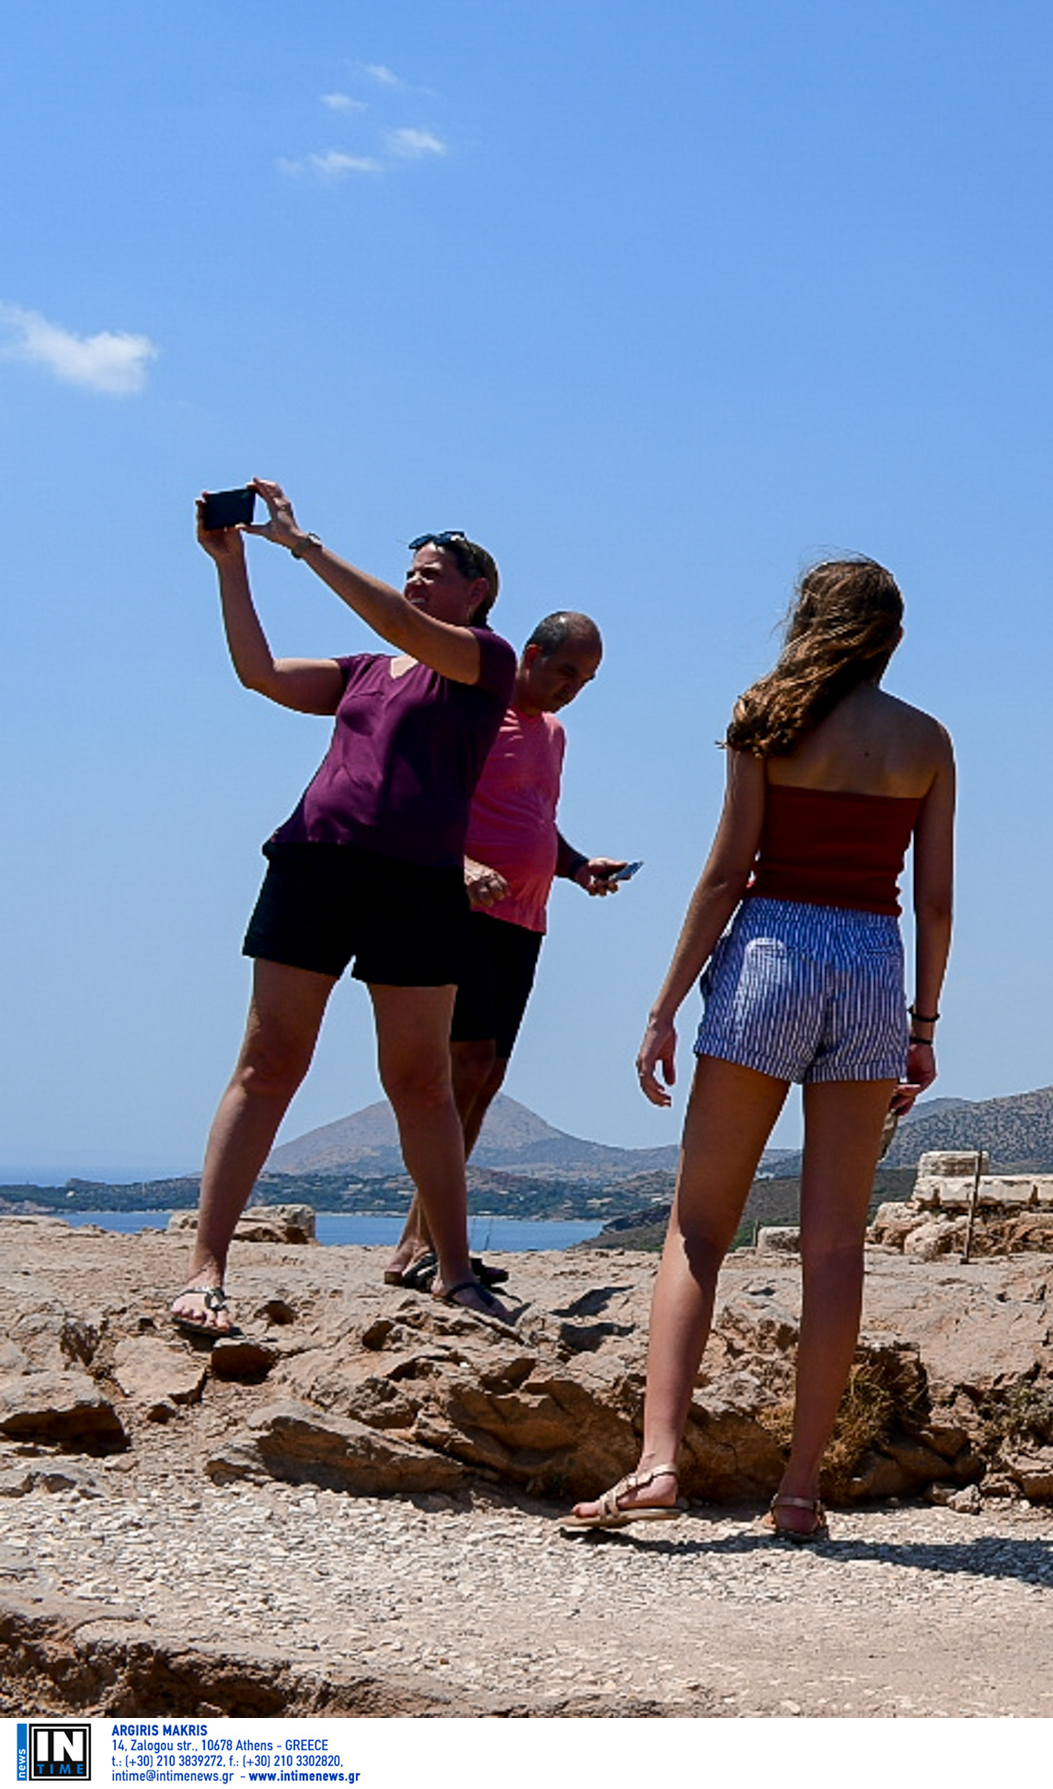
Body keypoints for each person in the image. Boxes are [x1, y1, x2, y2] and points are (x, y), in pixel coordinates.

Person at [568, 558, 951, 1540]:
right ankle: (800, 1488)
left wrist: (661, 1006)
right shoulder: (927, 741)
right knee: (834, 1245)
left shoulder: (763, 713)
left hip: (773, 948)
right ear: (892, 638)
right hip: (872, 961)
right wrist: (923, 1025)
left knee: (700, 1226)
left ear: (806, 623)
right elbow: (939, 897)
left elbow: (726, 867)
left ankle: (658, 1463)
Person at [177, 484, 522, 1341]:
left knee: (421, 1083)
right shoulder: (366, 674)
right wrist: (233, 568)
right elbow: (259, 674)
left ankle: (451, 1274)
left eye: (432, 572)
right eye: (409, 570)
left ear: (476, 590)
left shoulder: (486, 658)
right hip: (316, 864)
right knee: (267, 1063)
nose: (414, 582)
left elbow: (407, 633)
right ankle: (206, 1270)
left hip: (416, 883)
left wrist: (306, 546)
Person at [381, 611, 634, 1294]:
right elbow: (420, 799)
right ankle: (417, 1242)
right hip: (461, 910)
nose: (574, 687)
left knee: (484, 1076)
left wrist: (579, 867)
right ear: (531, 654)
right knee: (459, 1069)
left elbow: (535, 821)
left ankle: (430, 1233)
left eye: (586, 678)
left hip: (524, 920)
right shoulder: (477, 713)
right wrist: (460, 863)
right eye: (566, 671)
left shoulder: (554, 734)